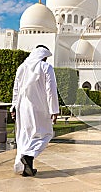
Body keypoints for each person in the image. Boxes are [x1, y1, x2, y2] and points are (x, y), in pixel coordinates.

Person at [10, 45, 60, 177]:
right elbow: (51, 90)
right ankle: (28, 156)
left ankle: (26, 168)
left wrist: (13, 106)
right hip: (39, 108)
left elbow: (16, 89)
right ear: (43, 56)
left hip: (22, 107)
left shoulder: (22, 67)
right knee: (45, 134)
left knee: (25, 136)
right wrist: (54, 110)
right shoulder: (46, 67)